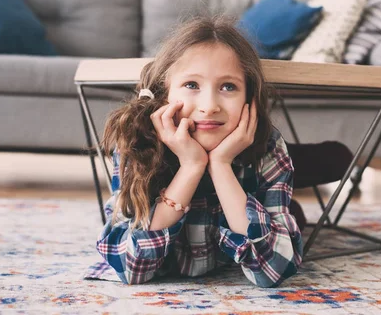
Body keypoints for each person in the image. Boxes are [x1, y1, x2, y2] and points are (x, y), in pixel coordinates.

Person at [85, 16, 303, 288]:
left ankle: (313, 161)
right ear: (164, 93)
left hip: (251, 160)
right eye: (191, 85)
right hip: (224, 188)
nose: (209, 106)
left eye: (228, 87)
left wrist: (221, 165)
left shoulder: (267, 144)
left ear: (248, 97)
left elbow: (274, 270)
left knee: (325, 166)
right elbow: (129, 268)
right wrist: (191, 167)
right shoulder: (137, 141)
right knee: (288, 216)